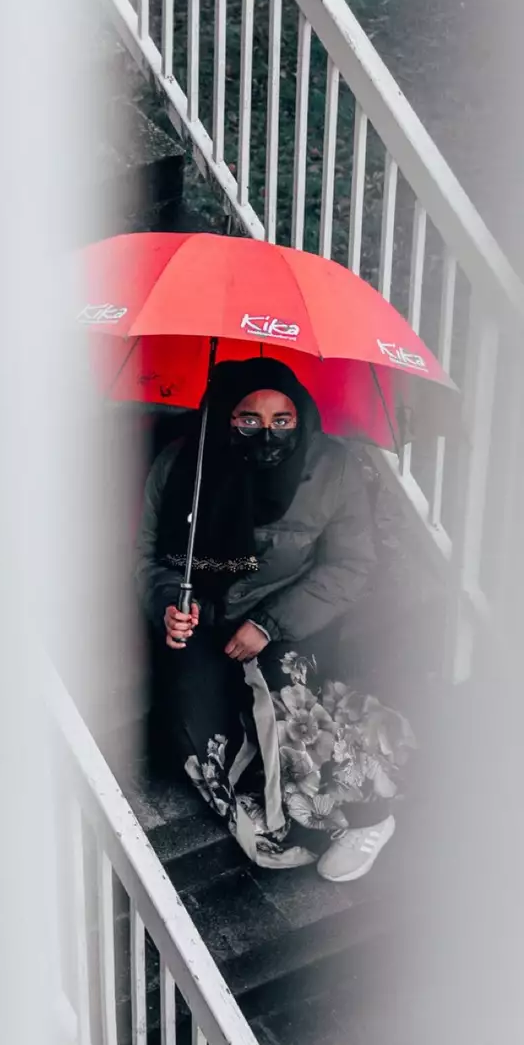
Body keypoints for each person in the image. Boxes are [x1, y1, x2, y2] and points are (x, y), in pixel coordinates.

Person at [135, 357, 413, 880]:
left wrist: (268, 622)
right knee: (197, 729)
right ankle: (272, 822)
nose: (266, 433)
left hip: (292, 613)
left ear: (300, 416)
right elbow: (150, 559)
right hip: (207, 616)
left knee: (287, 686)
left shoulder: (334, 467)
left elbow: (352, 565)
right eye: (248, 418)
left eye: (281, 420)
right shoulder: (182, 465)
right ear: (224, 418)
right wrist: (172, 604)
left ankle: (366, 815)